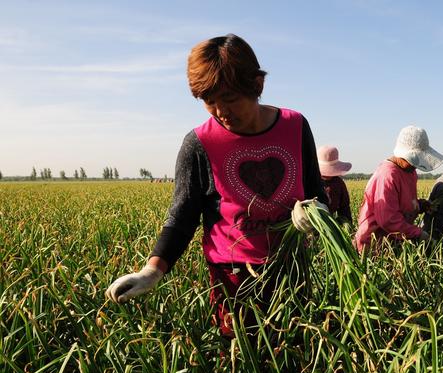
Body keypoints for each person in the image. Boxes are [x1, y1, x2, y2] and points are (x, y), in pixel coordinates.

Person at [105, 34, 328, 337]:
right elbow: (182, 217)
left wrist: (314, 213)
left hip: (292, 268)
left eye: (231, 99)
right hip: (233, 275)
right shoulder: (199, 143)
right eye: (209, 102)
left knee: (294, 345)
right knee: (239, 358)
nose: (221, 111)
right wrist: (152, 271)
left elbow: (318, 192)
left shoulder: (295, 126)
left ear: (257, 85)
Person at [354, 125, 443, 252]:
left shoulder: (410, 171)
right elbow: (387, 220)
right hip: (375, 245)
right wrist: (418, 233)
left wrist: (419, 205)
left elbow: (402, 203)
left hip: (396, 241)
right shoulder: (387, 175)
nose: (416, 166)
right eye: (414, 160)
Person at [317, 145, 353, 225]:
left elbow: (344, 209)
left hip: (330, 227)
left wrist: (348, 226)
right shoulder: (310, 181)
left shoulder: (338, 183)